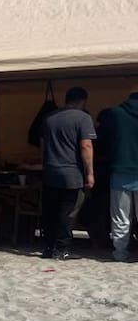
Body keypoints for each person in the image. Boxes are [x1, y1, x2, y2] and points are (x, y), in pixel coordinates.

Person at [40, 87, 95, 260]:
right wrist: (90, 173)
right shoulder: (83, 118)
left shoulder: (49, 118)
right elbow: (86, 146)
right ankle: (62, 248)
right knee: (67, 212)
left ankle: (48, 246)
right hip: (72, 173)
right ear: (82, 101)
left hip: (50, 170)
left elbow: (42, 144)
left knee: (50, 211)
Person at [99, 92, 138, 261]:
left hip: (120, 169)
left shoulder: (115, 113)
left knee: (121, 216)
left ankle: (120, 253)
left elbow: (101, 138)